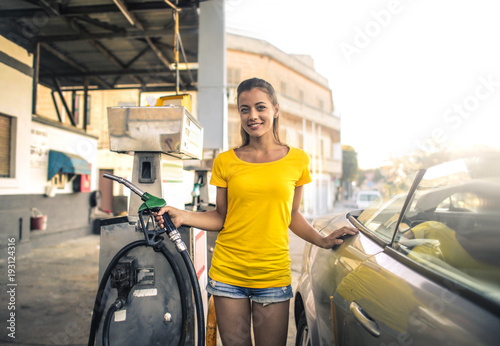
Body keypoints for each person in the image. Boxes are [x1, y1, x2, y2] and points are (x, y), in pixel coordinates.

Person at [155, 77, 358, 346]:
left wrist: (321, 239)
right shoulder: (226, 161)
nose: (253, 116)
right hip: (228, 274)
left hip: (272, 275)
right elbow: (221, 216)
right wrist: (183, 215)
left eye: (260, 107)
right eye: (244, 109)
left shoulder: (298, 160)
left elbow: (292, 214)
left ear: (275, 109)